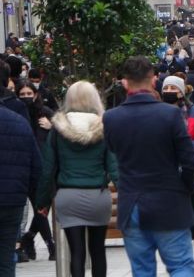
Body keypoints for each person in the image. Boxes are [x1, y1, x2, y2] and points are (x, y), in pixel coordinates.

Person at [103, 56, 194, 276]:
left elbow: (111, 157)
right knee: (181, 266)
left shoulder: (111, 118)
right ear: (153, 80)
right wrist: (186, 187)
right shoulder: (170, 114)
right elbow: (190, 160)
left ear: (125, 82)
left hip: (131, 203)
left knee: (142, 270)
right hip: (169, 201)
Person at [36, 81, 119, 277]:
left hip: (68, 195)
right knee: (98, 251)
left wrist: (42, 202)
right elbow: (114, 166)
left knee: (77, 252)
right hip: (98, 195)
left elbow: (48, 169)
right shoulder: (104, 127)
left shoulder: (57, 129)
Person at [161, 76, 194, 264]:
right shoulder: (158, 114)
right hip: (167, 169)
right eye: (165, 87)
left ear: (182, 91)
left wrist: (188, 145)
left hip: (191, 168)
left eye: (173, 88)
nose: (168, 90)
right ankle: (178, 246)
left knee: (193, 208)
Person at [14, 82, 56, 261]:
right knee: (39, 208)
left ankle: (29, 237)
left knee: (41, 207)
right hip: (24, 167)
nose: (26, 97)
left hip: (44, 167)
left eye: (29, 93)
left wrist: (51, 126)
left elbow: (62, 133)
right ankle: (49, 245)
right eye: (22, 94)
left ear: (36, 94)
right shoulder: (17, 115)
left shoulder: (45, 112)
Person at [0, 105, 41, 277]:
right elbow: (36, 167)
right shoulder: (20, 122)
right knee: (6, 259)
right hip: (13, 202)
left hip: (14, 198)